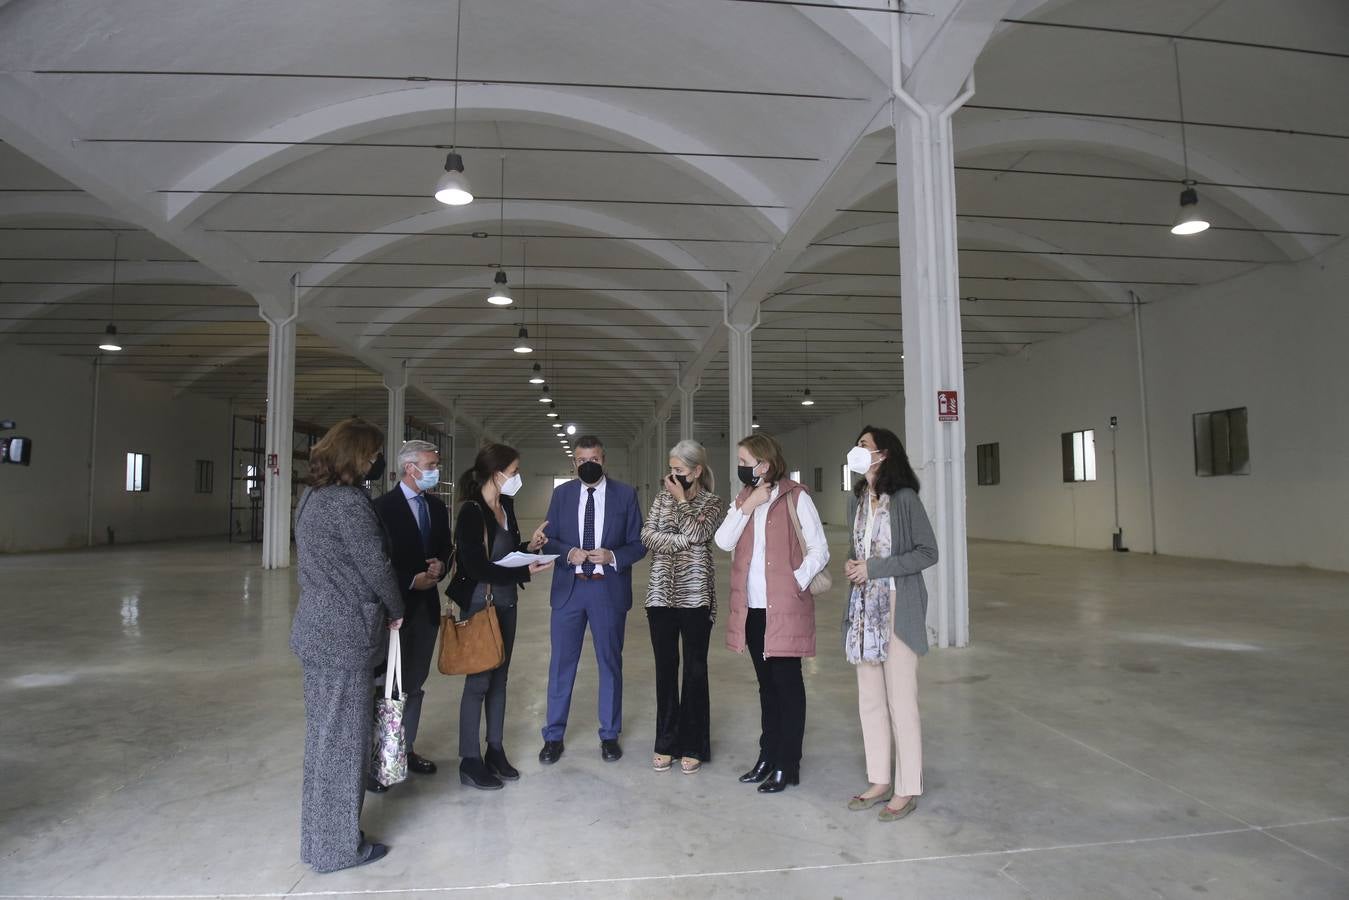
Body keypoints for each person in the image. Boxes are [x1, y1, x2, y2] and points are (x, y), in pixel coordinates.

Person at [290, 418, 402, 872]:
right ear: (357, 457)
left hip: (314, 631)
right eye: (373, 456)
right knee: (344, 746)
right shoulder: (349, 504)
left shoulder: (311, 497)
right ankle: (338, 850)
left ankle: (317, 842)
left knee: (322, 741)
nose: (377, 463)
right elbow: (375, 568)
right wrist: (397, 607)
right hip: (344, 638)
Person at [714, 432, 829, 794]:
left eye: (745, 463)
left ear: (764, 464)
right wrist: (747, 507)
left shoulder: (796, 497)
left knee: (788, 687)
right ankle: (767, 755)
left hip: (785, 609)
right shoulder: (745, 498)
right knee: (766, 688)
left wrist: (795, 579)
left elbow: (819, 549)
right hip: (753, 611)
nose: (741, 469)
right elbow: (723, 541)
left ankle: (787, 763)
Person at [842, 425, 938, 822]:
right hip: (865, 608)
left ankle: (907, 787)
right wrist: (853, 564)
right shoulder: (859, 499)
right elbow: (858, 548)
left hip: (898, 606)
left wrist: (876, 567)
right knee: (870, 700)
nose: (857, 450)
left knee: (901, 701)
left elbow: (927, 552)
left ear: (883, 454)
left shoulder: (905, 499)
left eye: (863, 445)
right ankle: (880, 778)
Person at [536, 435, 646, 764]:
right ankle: (553, 736)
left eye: (594, 459)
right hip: (569, 591)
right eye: (582, 460)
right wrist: (567, 552)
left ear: (604, 461)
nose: (588, 465)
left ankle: (609, 735)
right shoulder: (561, 494)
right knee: (561, 666)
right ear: (574, 463)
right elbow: (548, 539)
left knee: (609, 664)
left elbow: (638, 543)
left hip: (607, 590)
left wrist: (612, 555)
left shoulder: (625, 495)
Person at [448, 443, 552, 790]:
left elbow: (507, 553)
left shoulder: (505, 504)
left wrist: (530, 549)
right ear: (497, 474)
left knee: (500, 680)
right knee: (478, 682)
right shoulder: (471, 512)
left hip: (507, 603)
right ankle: (469, 759)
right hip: (480, 605)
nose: (517, 477)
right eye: (515, 471)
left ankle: (495, 749)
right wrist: (525, 573)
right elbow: (476, 566)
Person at [370, 440, 453, 792]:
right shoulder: (380, 509)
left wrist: (440, 565)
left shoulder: (436, 507)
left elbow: (446, 549)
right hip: (393, 612)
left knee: (415, 684)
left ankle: (406, 749)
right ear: (410, 468)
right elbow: (374, 563)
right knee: (385, 687)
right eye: (431, 464)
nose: (436, 470)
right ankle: (377, 759)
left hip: (426, 612)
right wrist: (408, 581)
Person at [640, 439, 726, 774]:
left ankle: (694, 743)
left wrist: (681, 503)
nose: (673, 476)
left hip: (695, 598)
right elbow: (648, 536)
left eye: (680, 471)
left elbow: (701, 531)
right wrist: (680, 541)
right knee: (665, 670)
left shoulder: (712, 502)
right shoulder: (661, 498)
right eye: (671, 470)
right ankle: (666, 741)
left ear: (697, 471)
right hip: (660, 596)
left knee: (694, 671)